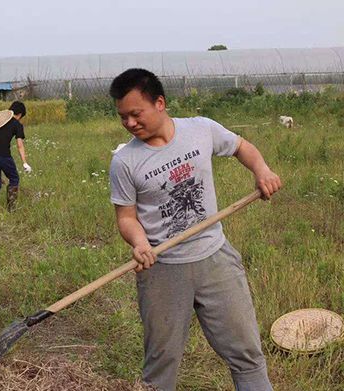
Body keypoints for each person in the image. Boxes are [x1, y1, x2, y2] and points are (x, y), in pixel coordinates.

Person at [108, 69, 281, 391]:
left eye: (135, 114)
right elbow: (126, 217)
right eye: (123, 117)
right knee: (160, 367)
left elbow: (242, 146)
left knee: (247, 354)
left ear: (159, 103)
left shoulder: (201, 129)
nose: (130, 123)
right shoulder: (125, 161)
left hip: (215, 259)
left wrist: (262, 170)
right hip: (162, 270)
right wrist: (140, 242)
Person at [0, 101, 32, 217]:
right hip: (3, 156)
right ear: (20, 114)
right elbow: (20, 145)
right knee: (14, 179)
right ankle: (12, 209)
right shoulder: (17, 124)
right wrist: (25, 162)